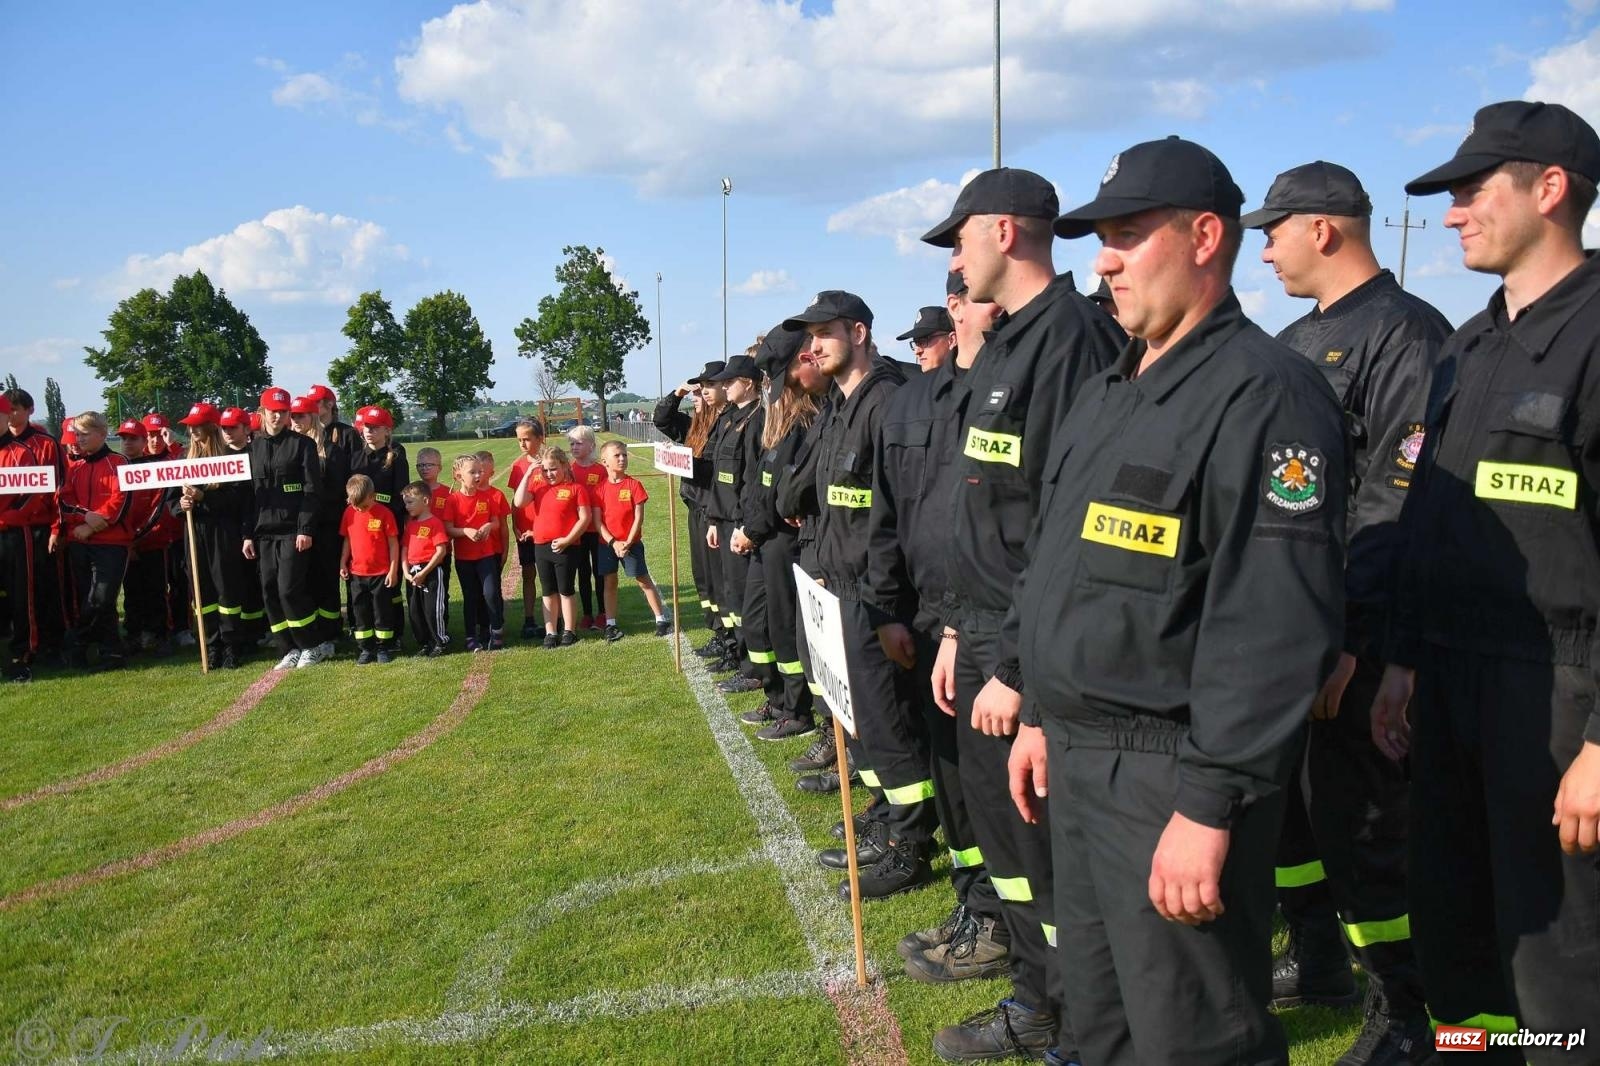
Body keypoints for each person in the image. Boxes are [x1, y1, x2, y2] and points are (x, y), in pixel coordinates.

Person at [1002, 136, 1346, 1066]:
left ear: (1204, 237)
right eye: (1097, 239)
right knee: (1102, 1024)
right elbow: (1060, 571)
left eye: (1124, 235)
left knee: (1194, 1036)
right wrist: (1038, 711)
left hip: (1169, 778)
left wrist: (1208, 805)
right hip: (1077, 765)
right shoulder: (1113, 391)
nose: (1101, 260)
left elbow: (1274, 624)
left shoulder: (1267, 396)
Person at [1370, 100, 1600, 1064]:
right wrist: (1401, 665)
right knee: (1457, 931)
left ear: (1550, 190)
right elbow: (1432, 524)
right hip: (1450, 687)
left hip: (1557, 696)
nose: (1455, 211)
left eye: (1472, 191)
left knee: (1557, 959)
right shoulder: (1467, 346)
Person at [1244, 160, 1452, 1064]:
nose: (1264, 250)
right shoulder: (1294, 338)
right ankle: (1320, 955)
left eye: (1273, 231)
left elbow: (1391, 507)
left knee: (1370, 831)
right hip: (1296, 629)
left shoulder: (1408, 336)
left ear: (1323, 228)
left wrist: (1351, 645)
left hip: (1355, 640)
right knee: (1297, 817)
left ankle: (1412, 1010)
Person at [920, 165, 1125, 1062]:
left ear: (1004, 231)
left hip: (1025, 650)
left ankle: (1073, 1021)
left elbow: (1066, 520)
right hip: (983, 632)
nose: (955, 259)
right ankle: (1035, 997)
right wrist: (962, 631)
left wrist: (1015, 670)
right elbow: (986, 507)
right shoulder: (1002, 345)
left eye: (960, 235)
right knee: (1005, 840)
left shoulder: (1071, 339)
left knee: (1045, 856)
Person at [866, 272, 1013, 986]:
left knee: (995, 791)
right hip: (928, 620)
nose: (968, 308)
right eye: (960, 295)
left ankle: (999, 922)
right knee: (953, 782)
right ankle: (973, 906)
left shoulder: (1013, 387)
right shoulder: (918, 398)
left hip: (987, 624)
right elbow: (889, 510)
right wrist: (890, 607)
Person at [779, 289, 941, 903]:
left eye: (824, 334)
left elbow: (895, 514)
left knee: (891, 726)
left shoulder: (888, 402)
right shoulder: (842, 405)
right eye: (809, 337)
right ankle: (886, 815)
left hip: (877, 597)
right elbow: (833, 504)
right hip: (840, 585)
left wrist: (883, 605)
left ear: (860, 332)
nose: (812, 347)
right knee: (865, 722)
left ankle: (910, 845)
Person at [736, 326, 822, 739]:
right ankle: (781, 699)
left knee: (787, 628)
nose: (768, 387)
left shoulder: (801, 422)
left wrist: (754, 529)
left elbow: (785, 489)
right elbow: (760, 483)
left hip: (783, 541)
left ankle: (799, 710)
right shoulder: (776, 425)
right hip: (764, 538)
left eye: (773, 378)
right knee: (761, 622)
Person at [246, 387, 325, 670]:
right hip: (264, 532)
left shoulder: (302, 445)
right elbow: (248, 496)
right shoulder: (252, 447)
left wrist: (305, 528)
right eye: (272, 412)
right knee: (269, 590)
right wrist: (247, 534)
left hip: (293, 531)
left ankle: (311, 646)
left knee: (289, 589)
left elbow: (312, 491)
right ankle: (287, 648)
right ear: (263, 413)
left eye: (282, 412)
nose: (277, 416)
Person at [703, 353, 766, 689]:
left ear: (749, 383)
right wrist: (714, 518)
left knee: (745, 601)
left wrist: (744, 525)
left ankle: (754, 669)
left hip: (741, 524)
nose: (725, 386)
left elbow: (753, 479)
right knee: (731, 596)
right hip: (724, 520)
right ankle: (744, 661)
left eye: (731, 381)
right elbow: (719, 476)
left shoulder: (757, 419)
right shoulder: (730, 419)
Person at [654, 363, 726, 646]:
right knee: (702, 576)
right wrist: (679, 391)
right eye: (695, 392)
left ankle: (727, 637)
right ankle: (716, 633)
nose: (697, 397)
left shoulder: (721, 425)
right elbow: (662, 419)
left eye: (701, 391)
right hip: (695, 507)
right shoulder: (690, 427)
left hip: (714, 508)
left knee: (717, 576)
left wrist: (690, 464)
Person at [178, 405, 255, 669]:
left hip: (222, 531)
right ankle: (210, 645)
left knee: (226, 588)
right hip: (194, 531)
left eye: (198, 425)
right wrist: (181, 505)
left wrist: (204, 498)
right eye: (191, 426)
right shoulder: (183, 459)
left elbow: (239, 500)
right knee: (201, 591)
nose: (193, 431)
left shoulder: (229, 459)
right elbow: (170, 501)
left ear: (212, 427)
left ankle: (232, 644)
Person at [56, 412, 133, 670]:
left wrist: (91, 526)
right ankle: (111, 652)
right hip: (80, 543)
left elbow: (121, 501)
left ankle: (76, 642)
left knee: (101, 598)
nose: (78, 439)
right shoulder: (74, 467)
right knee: (92, 600)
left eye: (84, 434)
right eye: (76, 434)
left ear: (101, 433)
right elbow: (64, 501)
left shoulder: (119, 462)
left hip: (112, 543)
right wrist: (84, 517)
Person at [0, 391, 65, 681]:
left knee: (25, 594)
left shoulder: (25, 451)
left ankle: (26, 652)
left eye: (12, 411)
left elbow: (34, 495)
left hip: (20, 532)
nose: (11, 416)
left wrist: (55, 527)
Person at [511, 445, 591, 649]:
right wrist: (529, 473)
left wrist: (567, 539)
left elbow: (585, 518)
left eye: (553, 469)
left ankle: (569, 630)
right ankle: (551, 632)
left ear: (564, 466)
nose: (549, 474)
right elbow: (519, 502)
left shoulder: (576, 489)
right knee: (548, 591)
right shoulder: (538, 488)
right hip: (541, 546)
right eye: (545, 470)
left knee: (565, 589)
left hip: (566, 546)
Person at [592, 440, 670, 640]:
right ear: (605, 461)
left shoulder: (634, 485)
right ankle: (610, 623)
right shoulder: (599, 489)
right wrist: (613, 543)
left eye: (624, 455)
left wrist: (627, 542)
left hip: (631, 544)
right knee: (609, 582)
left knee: (643, 580)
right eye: (617, 455)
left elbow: (638, 517)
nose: (622, 458)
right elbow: (597, 521)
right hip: (607, 545)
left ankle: (661, 619)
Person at [290, 394, 347, 656]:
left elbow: (335, 492)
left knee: (326, 580)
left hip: (324, 526)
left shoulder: (331, 451)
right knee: (304, 581)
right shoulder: (290, 449)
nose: (295, 420)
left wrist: (314, 515)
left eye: (300, 415)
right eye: (293, 416)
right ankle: (312, 631)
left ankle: (330, 630)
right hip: (299, 527)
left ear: (313, 417)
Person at [117, 417, 177, 656]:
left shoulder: (153, 468)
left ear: (143, 441)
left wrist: (136, 537)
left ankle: (159, 634)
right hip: (124, 543)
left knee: (155, 590)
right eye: (123, 439)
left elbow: (156, 507)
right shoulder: (116, 466)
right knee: (131, 592)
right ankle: (134, 634)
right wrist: (125, 539)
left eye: (133, 439)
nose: (127, 443)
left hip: (151, 541)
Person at [352, 405, 410, 644]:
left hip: (388, 525)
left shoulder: (396, 454)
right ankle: (363, 629)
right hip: (362, 529)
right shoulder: (357, 456)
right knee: (364, 581)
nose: (369, 432)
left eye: (375, 428)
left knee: (389, 582)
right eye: (366, 427)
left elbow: (401, 494)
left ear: (387, 431)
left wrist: (382, 514)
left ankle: (394, 631)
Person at [442, 452, 509, 652]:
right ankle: (471, 636)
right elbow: (448, 528)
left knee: (491, 593)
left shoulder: (487, 497)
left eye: (480, 471)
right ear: (458, 475)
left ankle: (496, 631)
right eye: (473, 472)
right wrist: (465, 532)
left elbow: (497, 522)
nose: (478, 475)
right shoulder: (452, 500)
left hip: (486, 555)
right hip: (464, 558)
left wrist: (489, 526)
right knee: (470, 597)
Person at [340, 474, 401, 664]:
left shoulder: (385, 513)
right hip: (357, 574)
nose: (359, 509)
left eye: (363, 506)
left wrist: (392, 570)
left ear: (373, 496)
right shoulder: (349, 513)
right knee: (361, 612)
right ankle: (366, 648)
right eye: (355, 506)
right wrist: (343, 562)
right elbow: (347, 540)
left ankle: (383, 647)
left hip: (381, 574)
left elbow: (393, 544)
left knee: (382, 611)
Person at [505, 419, 548, 637]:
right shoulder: (519, 466)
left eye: (527, 439)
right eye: (519, 440)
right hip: (526, 529)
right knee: (529, 572)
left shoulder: (551, 463)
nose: (522, 444)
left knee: (550, 576)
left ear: (540, 439)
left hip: (548, 529)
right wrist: (515, 526)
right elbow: (515, 500)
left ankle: (556, 618)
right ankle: (529, 618)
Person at [401, 480, 450, 657]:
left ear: (426, 501)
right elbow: (404, 549)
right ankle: (424, 643)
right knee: (415, 610)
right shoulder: (410, 525)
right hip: (412, 573)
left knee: (432, 609)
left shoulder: (434, 523)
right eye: (405, 503)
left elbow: (441, 551)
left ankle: (439, 641)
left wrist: (424, 572)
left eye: (410, 502)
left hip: (430, 572)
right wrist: (406, 572)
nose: (406, 507)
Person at [566, 425, 607, 632]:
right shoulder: (568, 471)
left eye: (579, 443)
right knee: (582, 573)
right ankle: (587, 613)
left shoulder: (600, 470)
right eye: (571, 443)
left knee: (600, 572)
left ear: (591, 445)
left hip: (597, 530)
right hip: (578, 532)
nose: (574, 447)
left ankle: (602, 612)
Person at [895, 304, 956, 372]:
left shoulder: (968, 380)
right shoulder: (918, 381)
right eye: (916, 343)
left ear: (952, 340)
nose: (917, 351)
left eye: (924, 341)